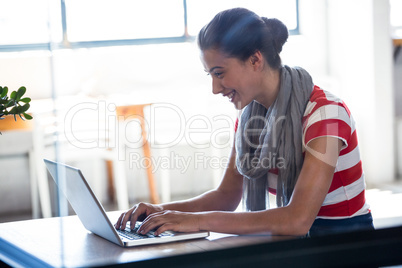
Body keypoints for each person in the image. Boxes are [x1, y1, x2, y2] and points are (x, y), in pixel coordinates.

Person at [115, 7, 374, 237]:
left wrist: (194, 222)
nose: (215, 89)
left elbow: (297, 220)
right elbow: (226, 196)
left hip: (342, 246)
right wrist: (160, 211)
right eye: (210, 75)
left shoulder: (327, 115)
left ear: (255, 60)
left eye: (219, 73)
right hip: (293, 245)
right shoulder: (250, 115)